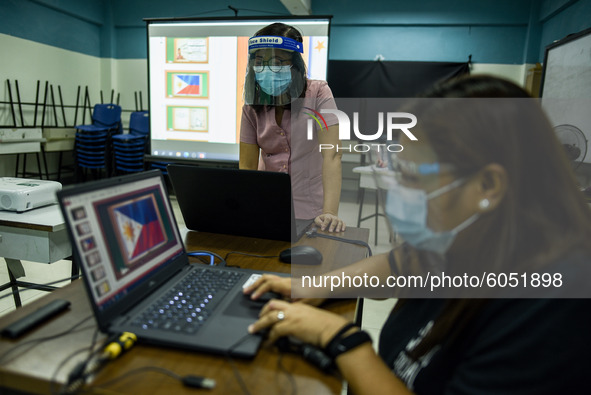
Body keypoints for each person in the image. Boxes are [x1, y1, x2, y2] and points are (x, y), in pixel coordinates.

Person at [244, 75, 591, 394]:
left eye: (413, 177)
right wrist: (314, 286)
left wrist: (338, 338)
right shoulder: (473, 239)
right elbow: (401, 266)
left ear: (488, 184)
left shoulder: (553, 308)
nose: (401, 193)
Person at [239, 22, 345, 232]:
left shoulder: (317, 93)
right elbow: (247, 167)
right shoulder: (252, 107)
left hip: (312, 210)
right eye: (260, 62)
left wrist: (330, 213)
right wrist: (246, 210)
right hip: (267, 206)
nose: (267, 69)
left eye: (278, 62)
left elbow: (332, 155)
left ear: (294, 65)